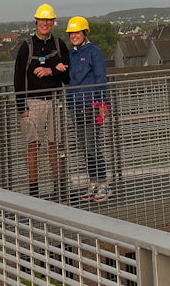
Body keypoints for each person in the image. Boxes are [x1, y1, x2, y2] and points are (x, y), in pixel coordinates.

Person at [13, 4, 70, 198]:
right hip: (32, 103)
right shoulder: (26, 46)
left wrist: (50, 71)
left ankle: (59, 189)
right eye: (42, 20)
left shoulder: (59, 45)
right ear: (36, 21)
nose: (45, 23)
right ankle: (34, 192)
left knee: (56, 144)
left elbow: (68, 76)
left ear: (53, 22)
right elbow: (18, 78)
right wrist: (21, 107)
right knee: (33, 146)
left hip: (55, 100)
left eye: (48, 20)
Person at [66, 17, 112, 201]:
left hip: (91, 105)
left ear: (85, 33)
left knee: (93, 146)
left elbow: (101, 77)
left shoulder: (94, 52)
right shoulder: (71, 54)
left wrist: (102, 104)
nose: (74, 36)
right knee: (85, 148)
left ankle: (104, 186)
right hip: (75, 106)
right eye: (71, 33)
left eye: (77, 32)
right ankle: (93, 184)